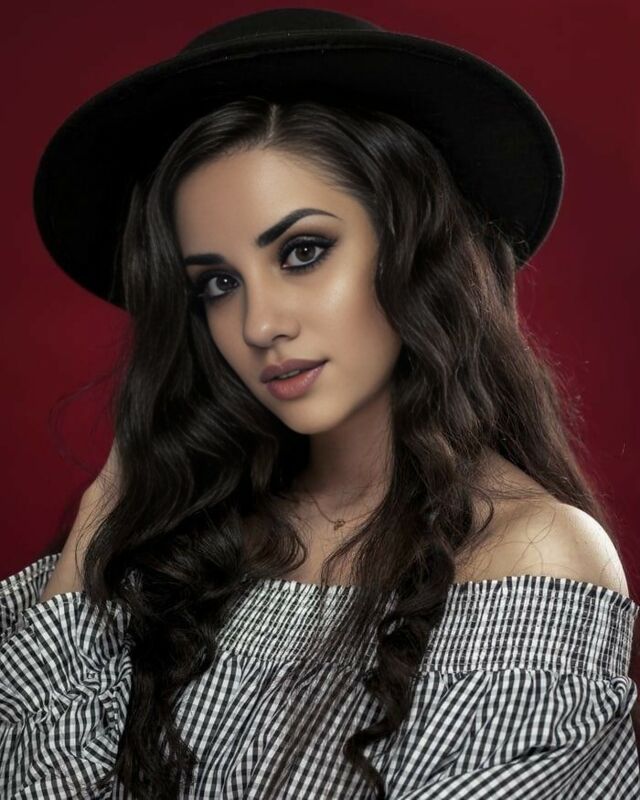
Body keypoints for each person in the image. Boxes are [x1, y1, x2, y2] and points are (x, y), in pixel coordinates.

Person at [1, 8, 638, 800]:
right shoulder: (179, 539)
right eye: (217, 284)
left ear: (415, 248)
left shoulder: (529, 556)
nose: (259, 325)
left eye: (303, 252)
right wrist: (100, 522)